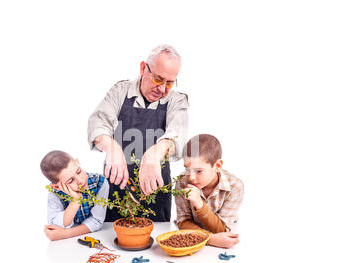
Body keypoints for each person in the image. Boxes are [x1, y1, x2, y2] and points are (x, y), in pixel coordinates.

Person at [87, 44, 189, 222]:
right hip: (116, 190)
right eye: (158, 79)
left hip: (155, 191)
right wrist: (112, 148)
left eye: (170, 82)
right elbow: (98, 123)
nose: (163, 89)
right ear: (143, 68)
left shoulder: (177, 101)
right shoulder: (120, 91)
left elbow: (177, 133)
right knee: (112, 236)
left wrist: (154, 154)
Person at [174, 134, 244, 248]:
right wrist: (209, 239)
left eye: (198, 171)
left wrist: (199, 204)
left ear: (217, 165)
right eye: (187, 169)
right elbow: (183, 221)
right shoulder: (182, 182)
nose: (191, 177)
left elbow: (222, 230)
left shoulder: (235, 187)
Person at [40, 150, 109, 241]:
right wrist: (75, 201)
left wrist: (65, 234)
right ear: (57, 186)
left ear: (77, 162)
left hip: (97, 235)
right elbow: (56, 226)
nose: (80, 180)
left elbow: (97, 220)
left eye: (78, 171)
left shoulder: (99, 182)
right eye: (70, 181)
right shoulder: (54, 192)